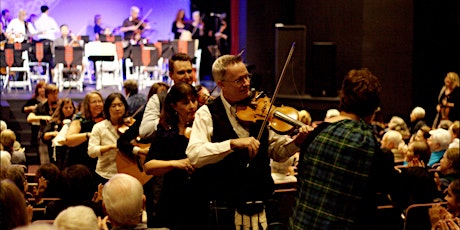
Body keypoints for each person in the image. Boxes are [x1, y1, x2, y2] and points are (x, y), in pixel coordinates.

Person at [186, 54, 308, 229]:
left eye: (246, 77)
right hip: (225, 205)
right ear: (221, 85)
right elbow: (195, 154)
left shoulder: (260, 109)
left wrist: (297, 141)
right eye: (239, 80)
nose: (247, 83)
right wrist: (232, 144)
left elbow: (277, 152)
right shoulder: (207, 113)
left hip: (262, 202)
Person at [289, 68, 396, 229]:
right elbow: (379, 191)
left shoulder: (314, 134)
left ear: (342, 97)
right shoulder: (368, 144)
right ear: (372, 111)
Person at [143, 83, 198, 229]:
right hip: (173, 198)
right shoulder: (165, 132)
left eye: (194, 100)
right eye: (186, 103)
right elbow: (149, 166)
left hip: (199, 196)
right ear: (174, 106)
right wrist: (176, 163)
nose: (192, 106)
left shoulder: (202, 127)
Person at [139, 53, 194, 139]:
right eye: (181, 73)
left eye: (189, 71)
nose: (187, 76)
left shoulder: (199, 95)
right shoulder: (158, 99)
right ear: (171, 75)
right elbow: (144, 131)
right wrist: (167, 118)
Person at [88, 92, 128, 185]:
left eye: (120, 105)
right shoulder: (99, 127)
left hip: (128, 173)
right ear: (107, 109)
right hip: (106, 174)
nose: (117, 109)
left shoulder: (131, 125)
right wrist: (111, 147)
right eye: (113, 106)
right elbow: (92, 151)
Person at [66, 91, 104, 172]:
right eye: (94, 102)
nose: (98, 104)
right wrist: (89, 135)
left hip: (100, 161)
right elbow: (69, 139)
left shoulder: (106, 118)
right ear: (88, 105)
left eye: (99, 101)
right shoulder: (80, 119)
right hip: (81, 160)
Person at [27, 84, 59, 164]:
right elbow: (29, 118)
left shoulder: (60, 105)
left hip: (58, 135)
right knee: (44, 161)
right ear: (47, 94)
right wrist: (43, 117)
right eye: (53, 94)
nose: (55, 96)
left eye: (56, 93)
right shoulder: (41, 106)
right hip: (44, 137)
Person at [42, 98, 76, 168]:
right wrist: (53, 133)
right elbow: (44, 136)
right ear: (61, 109)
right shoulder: (55, 121)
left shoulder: (76, 122)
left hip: (72, 153)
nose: (69, 110)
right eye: (66, 108)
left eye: (70, 107)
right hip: (58, 154)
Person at [22, 80, 47, 152]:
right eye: (40, 88)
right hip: (36, 124)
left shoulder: (49, 101)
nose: (42, 90)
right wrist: (31, 108)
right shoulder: (33, 100)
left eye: (44, 88)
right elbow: (24, 109)